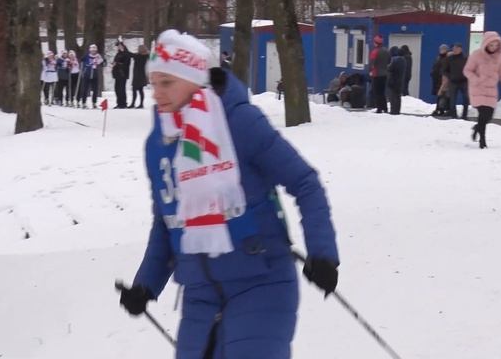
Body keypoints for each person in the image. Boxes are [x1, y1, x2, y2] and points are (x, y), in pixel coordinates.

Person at [118, 29, 339, 359]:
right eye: (154, 83)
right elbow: (167, 222)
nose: (157, 94)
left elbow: (305, 183)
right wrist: (145, 285)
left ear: (193, 78)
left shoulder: (239, 123)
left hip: (261, 283)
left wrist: (322, 254)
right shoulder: (159, 143)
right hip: (199, 295)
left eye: (167, 83)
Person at [463, 31, 501, 149]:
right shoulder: (476, 55)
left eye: (496, 45)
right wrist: (476, 80)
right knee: (483, 113)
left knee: (488, 116)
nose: (494, 48)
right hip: (478, 89)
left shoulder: (500, 57)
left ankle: (477, 128)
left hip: (491, 90)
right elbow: (467, 70)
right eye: (491, 45)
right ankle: (482, 141)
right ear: (486, 44)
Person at [444, 42, 469, 119]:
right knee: (452, 99)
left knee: (466, 98)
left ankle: (464, 115)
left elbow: (470, 69)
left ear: (460, 49)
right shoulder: (449, 59)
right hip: (453, 82)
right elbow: (444, 70)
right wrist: (450, 76)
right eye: (453, 48)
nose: (454, 50)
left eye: (456, 48)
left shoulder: (465, 58)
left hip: (464, 81)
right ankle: (453, 115)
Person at [369, 34, 390, 113]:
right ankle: (385, 108)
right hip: (385, 74)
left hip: (376, 74)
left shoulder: (375, 52)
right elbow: (389, 61)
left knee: (377, 92)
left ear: (376, 43)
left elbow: (372, 63)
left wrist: (371, 70)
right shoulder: (386, 51)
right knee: (382, 92)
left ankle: (379, 108)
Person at [80, 44, 105, 109]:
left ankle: (94, 103)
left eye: (94, 50)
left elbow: (103, 63)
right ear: (90, 50)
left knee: (95, 90)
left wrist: (102, 61)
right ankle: (84, 103)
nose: (93, 51)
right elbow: (81, 60)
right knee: (85, 89)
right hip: (87, 74)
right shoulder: (87, 56)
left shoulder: (98, 56)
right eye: (92, 50)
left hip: (95, 75)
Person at [431, 44, 451, 116]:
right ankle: (440, 109)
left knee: (444, 95)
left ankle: (442, 109)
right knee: (440, 95)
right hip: (437, 79)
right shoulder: (439, 57)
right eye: (441, 49)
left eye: (443, 49)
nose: (442, 50)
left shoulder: (447, 58)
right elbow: (436, 67)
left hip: (443, 79)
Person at [128, 44, 150, 108]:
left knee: (135, 90)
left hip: (138, 75)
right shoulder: (146, 56)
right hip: (141, 75)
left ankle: (134, 103)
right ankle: (140, 104)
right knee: (140, 90)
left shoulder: (139, 56)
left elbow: (130, 54)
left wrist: (123, 45)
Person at [112, 41, 132, 109]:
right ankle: (119, 103)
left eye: (120, 46)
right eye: (118, 46)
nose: (119, 47)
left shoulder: (126, 54)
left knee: (122, 89)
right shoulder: (118, 53)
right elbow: (116, 61)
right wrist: (114, 64)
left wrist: (117, 63)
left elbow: (126, 64)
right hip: (117, 73)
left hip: (123, 73)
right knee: (117, 89)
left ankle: (123, 103)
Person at [387, 46, 406, 115]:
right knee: (398, 97)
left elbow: (389, 68)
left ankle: (393, 110)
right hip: (400, 80)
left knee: (393, 96)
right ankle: (397, 110)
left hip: (393, 80)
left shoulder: (395, 60)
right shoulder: (404, 60)